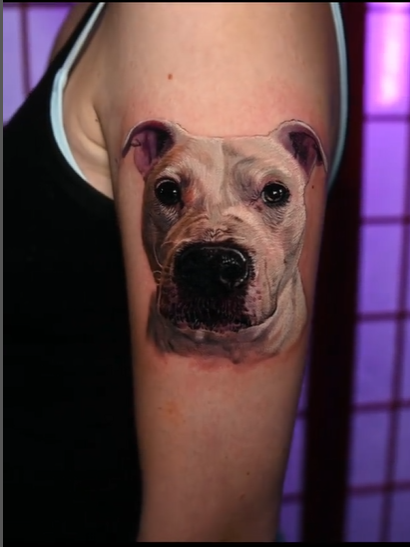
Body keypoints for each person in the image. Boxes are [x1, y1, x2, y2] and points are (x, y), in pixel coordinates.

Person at [4, 2, 347, 542]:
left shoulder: (210, 17)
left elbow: (216, 528)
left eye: (273, 195)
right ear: (144, 155)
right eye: (169, 191)